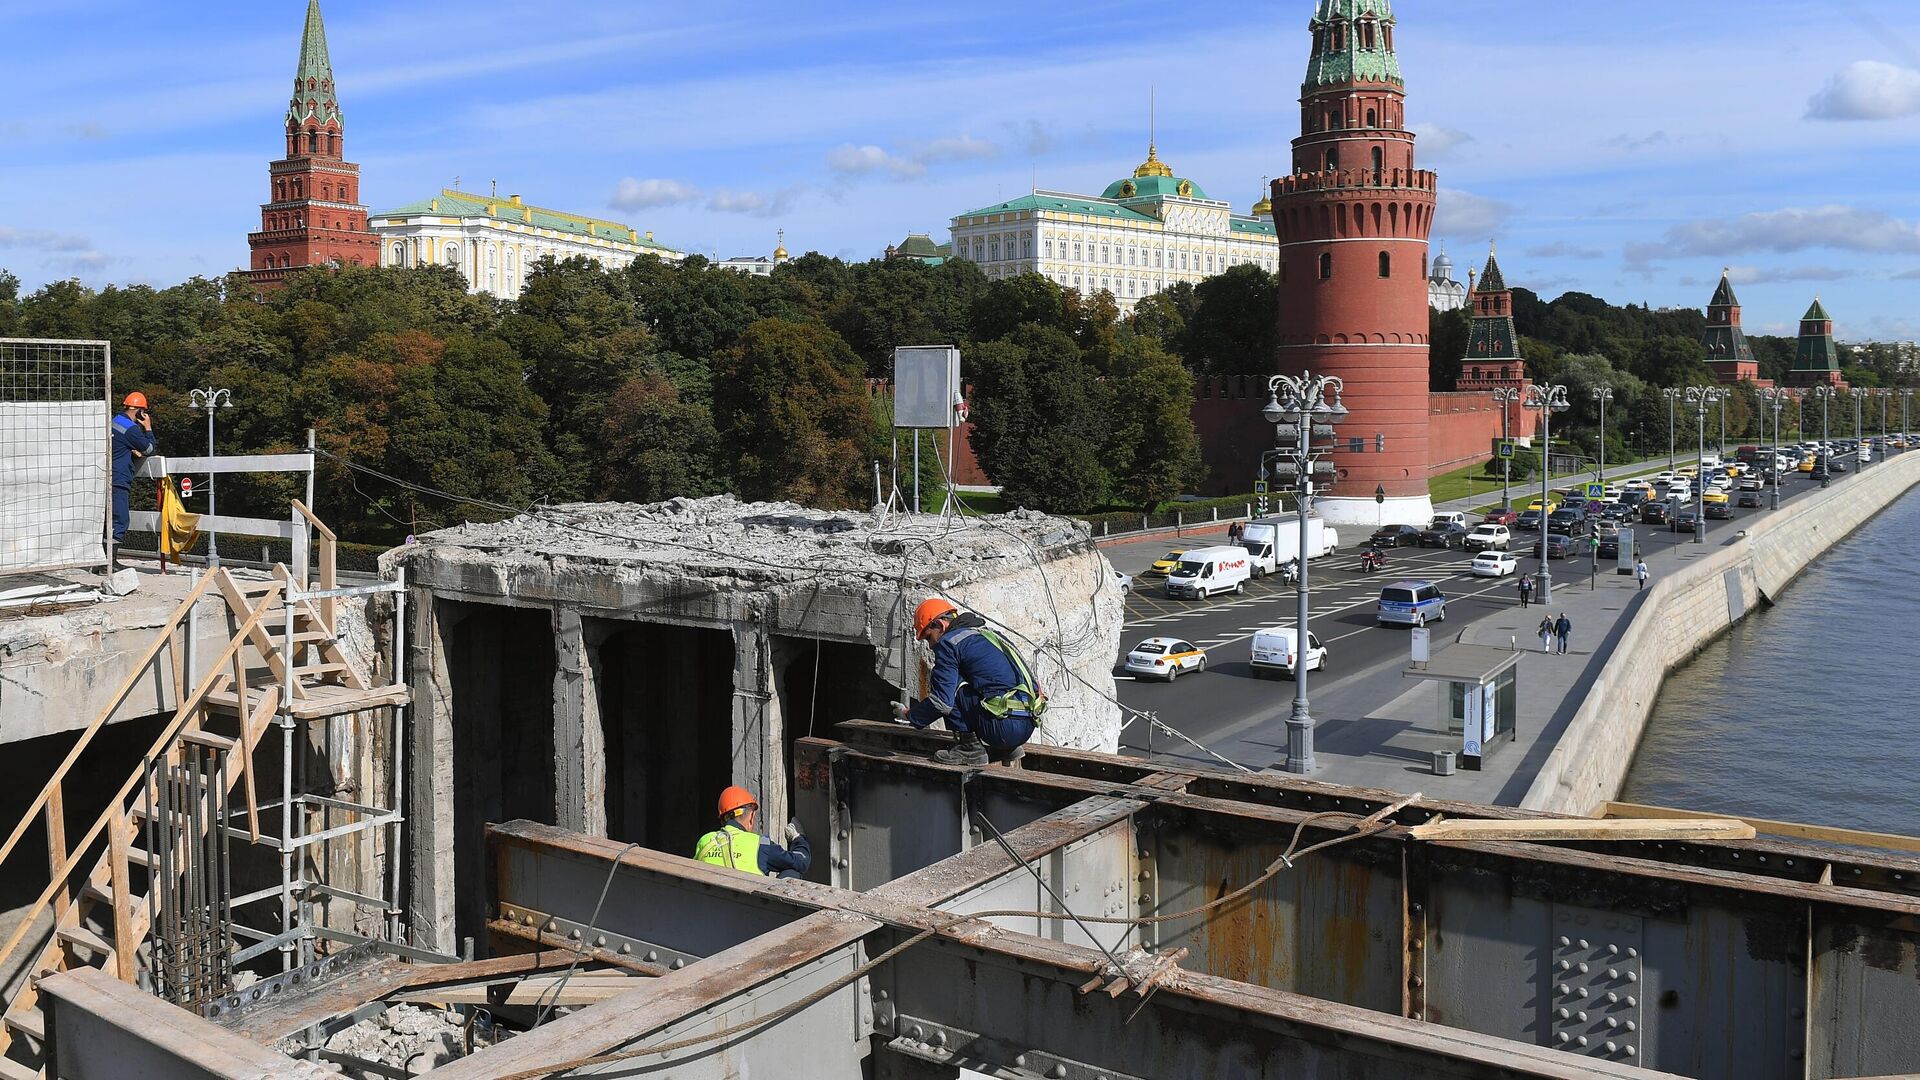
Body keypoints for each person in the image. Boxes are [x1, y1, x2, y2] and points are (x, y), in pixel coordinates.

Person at [895, 597, 1045, 766]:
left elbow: (942, 703)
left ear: (940, 625)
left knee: (951, 684)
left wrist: (911, 715)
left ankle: (969, 749)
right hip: (1027, 725)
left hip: (1002, 728)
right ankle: (1007, 748)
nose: (930, 646)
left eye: (929, 637)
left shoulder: (948, 643)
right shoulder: (990, 635)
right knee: (983, 682)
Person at [694, 786, 810, 879]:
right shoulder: (760, 844)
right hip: (748, 907)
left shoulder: (704, 840)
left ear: (723, 819)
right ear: (751, 816)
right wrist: (798, 838)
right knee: (791, 872)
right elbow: (801, 862)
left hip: (708, 904)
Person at [110, 391, 156, 556]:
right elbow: (149, 449)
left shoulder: (114, 421)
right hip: (119, 478)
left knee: (108, 520)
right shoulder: (131, 429)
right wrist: (148, 428)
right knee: (120, 520)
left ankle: (103, 561)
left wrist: (130, 449)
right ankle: (110, 561)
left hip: (108, 476)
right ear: (139, 411)